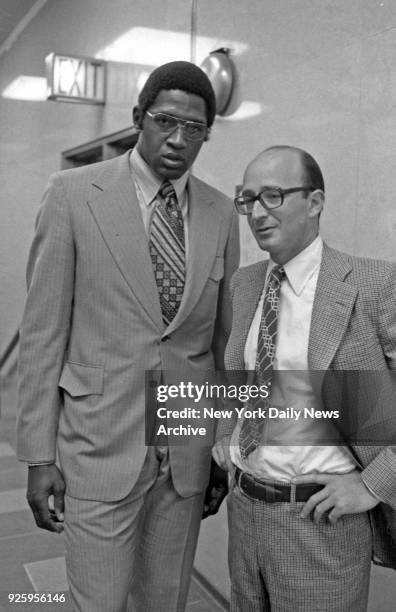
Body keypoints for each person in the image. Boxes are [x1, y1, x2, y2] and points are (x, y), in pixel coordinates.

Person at [17, 61, 239, 612]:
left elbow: (223, 342)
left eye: (196, 130)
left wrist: (223, 442)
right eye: (167, 121)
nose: (180, 139)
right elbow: (44, 333)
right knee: (100, 602)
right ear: (139, 118)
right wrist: (38, 456)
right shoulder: (72, 194)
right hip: (98, 443)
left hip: (185, 445)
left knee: (166, 600)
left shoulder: (220, 212)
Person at [213, 145, 396, 611]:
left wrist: (373, 484)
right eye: (248, 199)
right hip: (246, 512)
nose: (256, 212)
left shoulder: (372, 284)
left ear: (315, 202)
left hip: (321, 524)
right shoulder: (247, 282)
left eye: (272, 196)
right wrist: (223, 433)